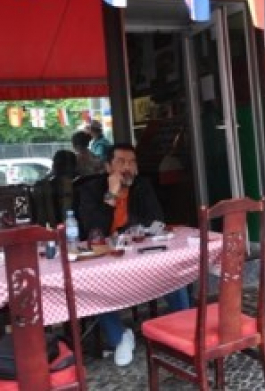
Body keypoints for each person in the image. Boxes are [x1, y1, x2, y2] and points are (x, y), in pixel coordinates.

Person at [77, 143, 189, 367]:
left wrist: (136, 230)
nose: (127, 167)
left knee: (173, 269)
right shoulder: (90, 189)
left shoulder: (142, 186)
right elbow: (91, 231)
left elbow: (156, 219)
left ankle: (184, 327)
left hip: (139, 255)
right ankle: (120, 338)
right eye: (121, 162)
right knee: (94, 284)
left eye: (132, 162)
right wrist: (111, 195)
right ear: (108, 166)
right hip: (107, 259)